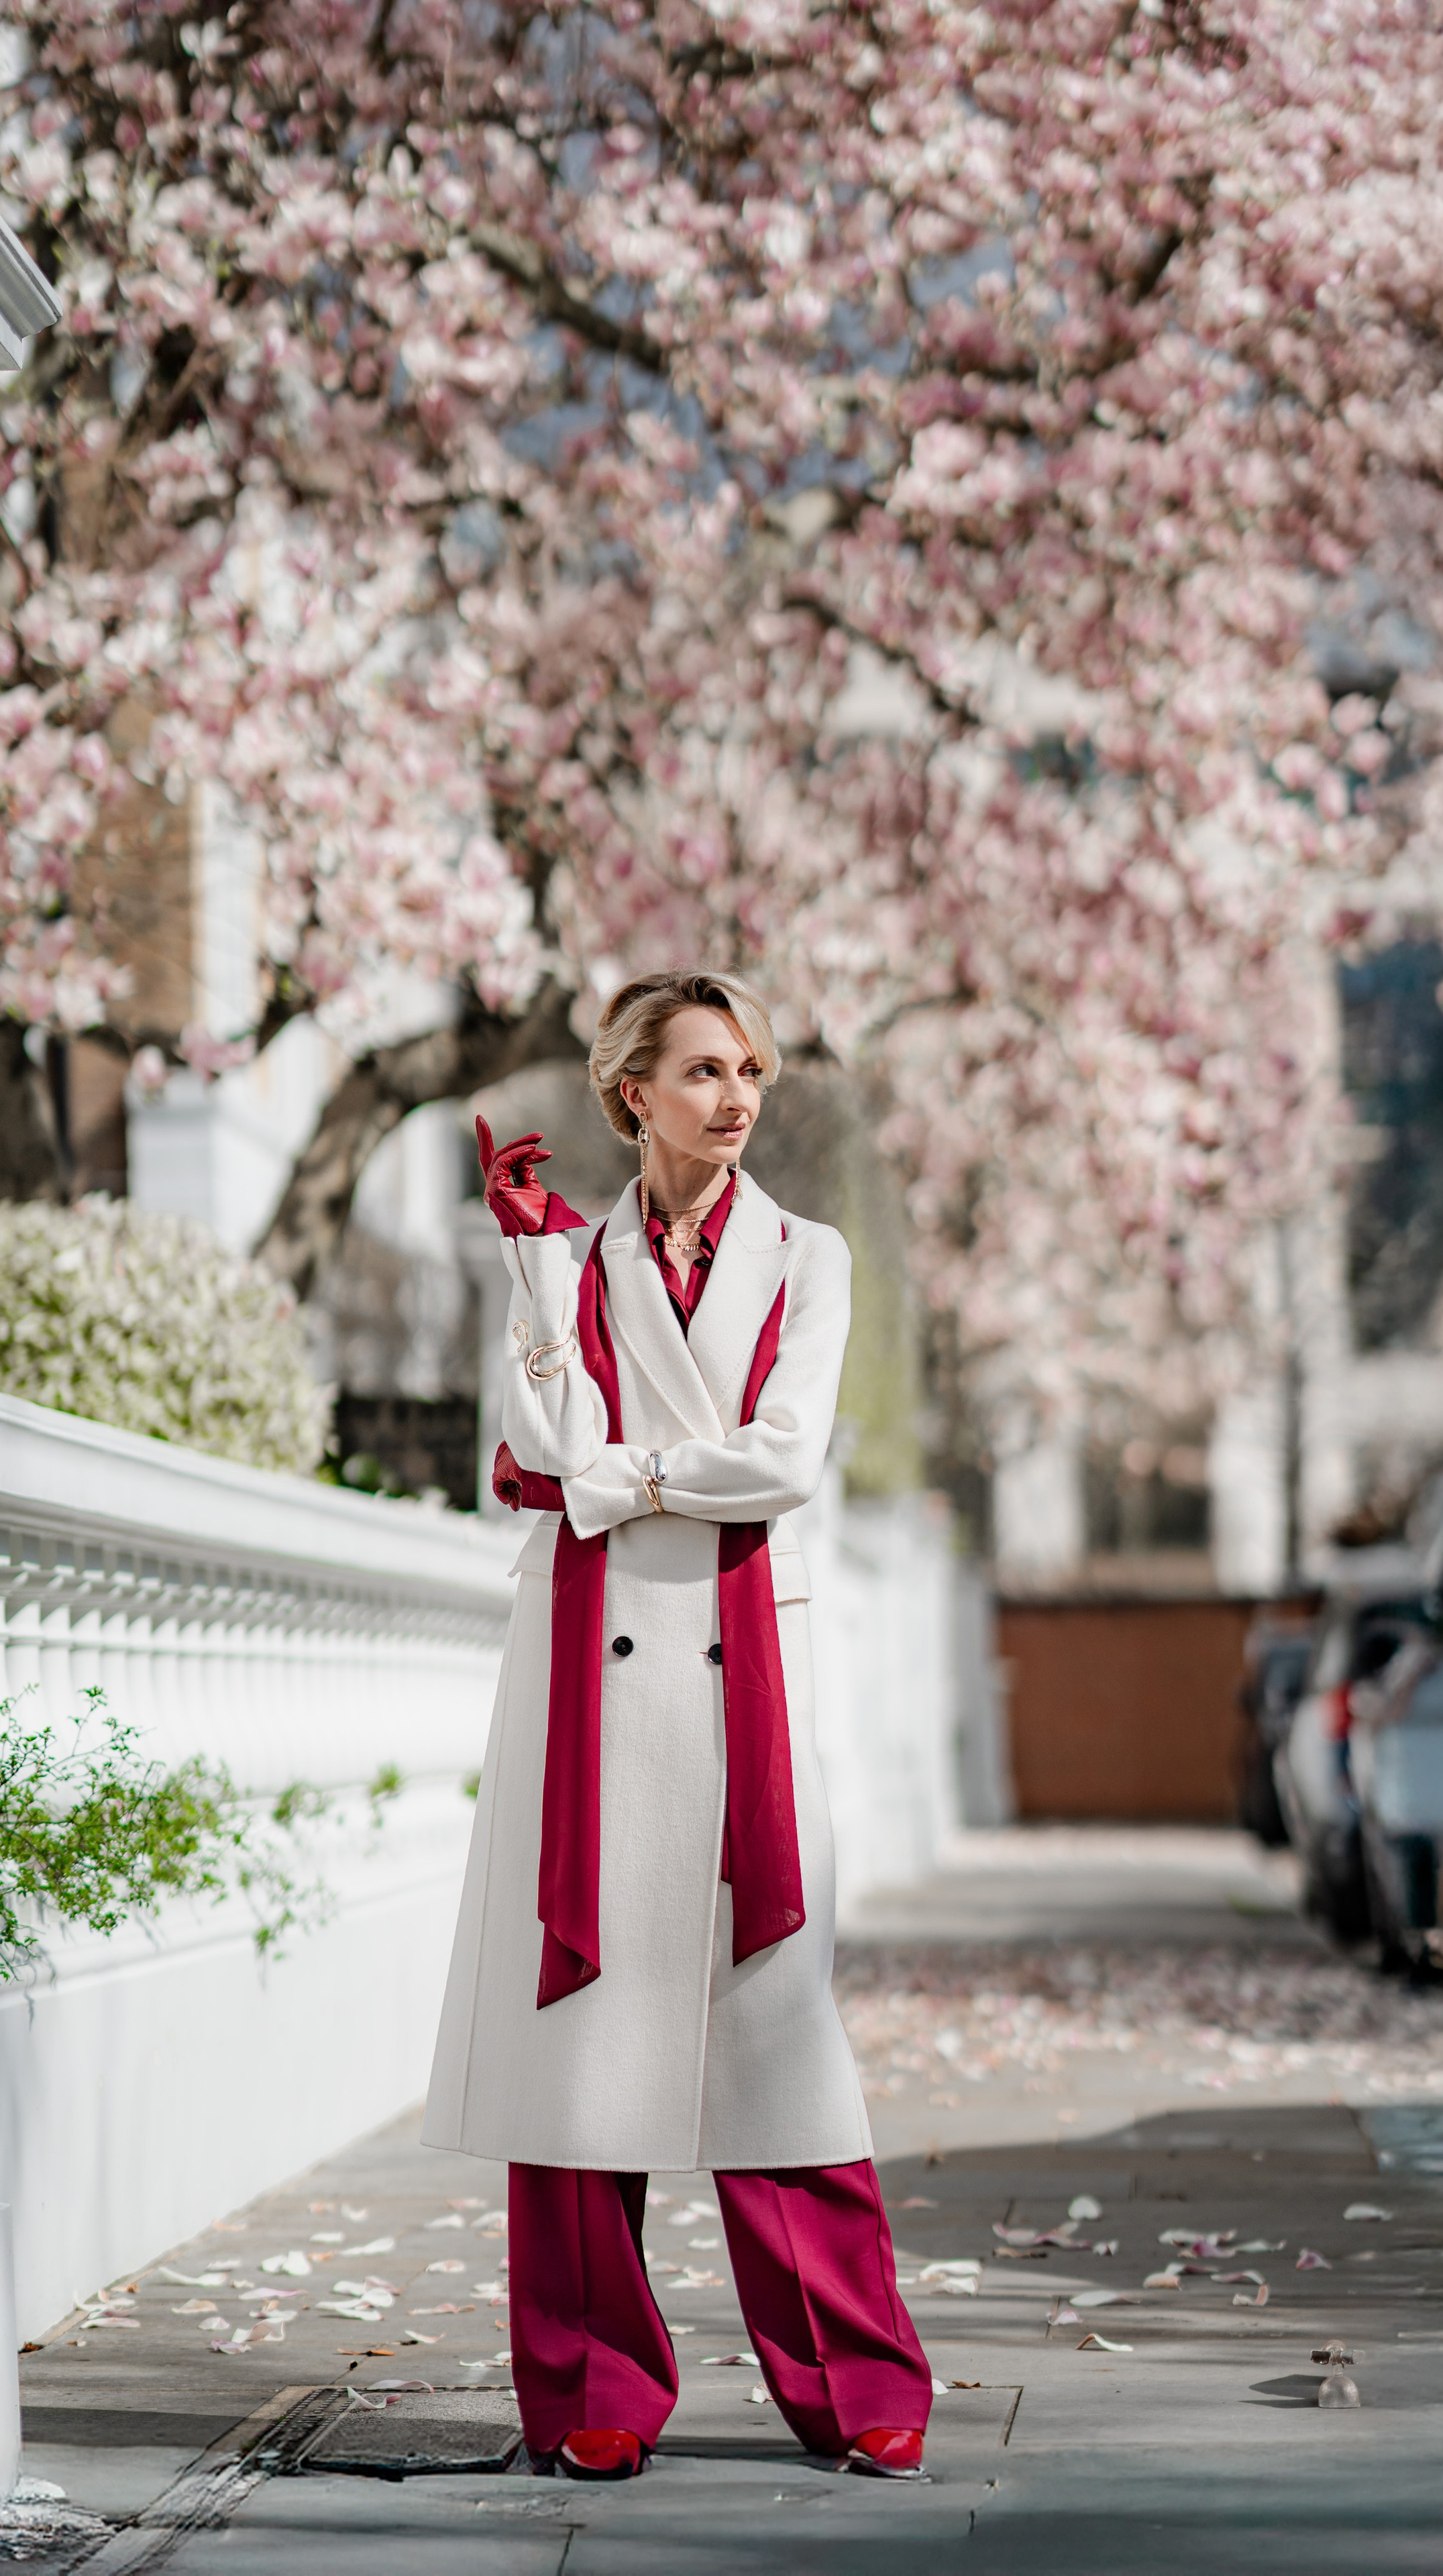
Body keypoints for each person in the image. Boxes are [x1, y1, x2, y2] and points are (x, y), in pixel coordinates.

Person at [423, 970, 931, 2482]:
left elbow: (778, 1465)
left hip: (735, 1675)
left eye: (751, 1071)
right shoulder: (560, 1257)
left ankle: (855, 2379)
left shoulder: (808, 1255)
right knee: (579, 2037)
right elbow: (533, 1446)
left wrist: (627, 1475)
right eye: (701, 1069)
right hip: (582, 1673)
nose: (735, 1096)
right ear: (628, 1091)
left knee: (772, 2023)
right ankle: (591, 2385)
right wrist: (526, 1280)